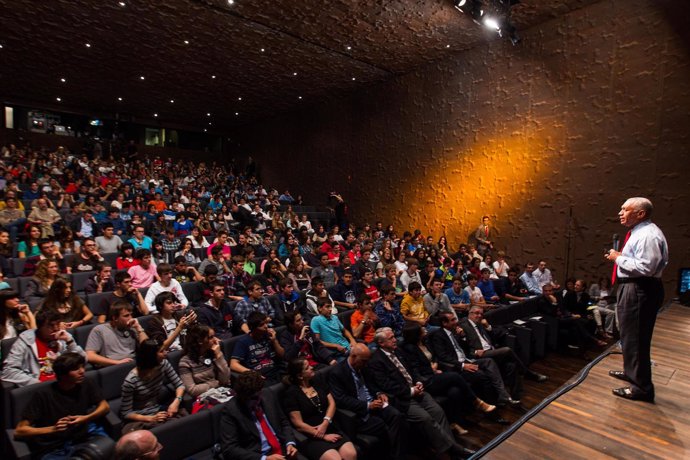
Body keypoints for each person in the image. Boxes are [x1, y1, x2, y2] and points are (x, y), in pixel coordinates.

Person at [367, 327, 473, 458]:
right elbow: (387, 385)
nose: (395, 340)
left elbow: (412, 370)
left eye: (394, 336)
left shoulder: (398, 351)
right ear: (381, 343)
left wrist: (418, 382)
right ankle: (454, 449)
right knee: (425, 418)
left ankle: (452, 449)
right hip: (403, 399)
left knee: (438, 411)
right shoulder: (376, 361)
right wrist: (411, 391)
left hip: (418, 390)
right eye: (391, 338)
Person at [605, 197, 668, 402]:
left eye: (625, 209)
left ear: (640, 214)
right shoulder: (639, 232)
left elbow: (646, 267)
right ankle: (631, 372)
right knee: (629, 335)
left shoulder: (648, 235)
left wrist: (618, 258)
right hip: (634, 287)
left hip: (639, 288)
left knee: (636, 337)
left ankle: (641, 388)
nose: (620, 213)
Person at [14, 352, 115, 459]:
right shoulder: (43, 395)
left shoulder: (86, 383)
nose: (82, 371)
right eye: (76, 369)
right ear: (62, 374)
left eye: (82, 367)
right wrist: (53, 429)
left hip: (82, 438)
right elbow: (20, 431)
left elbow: (105, 407)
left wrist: (85, 418)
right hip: (54, 447)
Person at [400, 324, 496, 432]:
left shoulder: (425, 341)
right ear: (416, 334)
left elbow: (435, 356)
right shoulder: (409, 348)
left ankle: (455, 423)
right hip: (426, 380)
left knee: (454, 391)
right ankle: (477, 401)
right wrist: (431, 371)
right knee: (455, 376)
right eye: (421, 329)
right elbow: (414, 369)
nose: (425, 329)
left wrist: (435, 364)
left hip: (434, 373)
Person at [429, 311, 518, 406]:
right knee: (483, 375)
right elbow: (443, 356)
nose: (456, 321)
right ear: (444, 323)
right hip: (457, 366)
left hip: (468, 359)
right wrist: (463, 365)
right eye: (453, 320)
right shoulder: (438, 336)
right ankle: (493, 407)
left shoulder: (456, 332)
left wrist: (462, 337)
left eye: (455, 318)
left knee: (489, 361)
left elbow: (465, 349)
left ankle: (503, 394)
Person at [282, 358, 356, 460]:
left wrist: (326, 422)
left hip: (330, 427)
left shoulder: (317, 380)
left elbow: (332, 403)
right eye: (307, 368)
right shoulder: (291, 393)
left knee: (351, 454)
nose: (312, 367)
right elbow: (298, 424)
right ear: (300, 376)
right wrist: (323, 436)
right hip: (312, 436)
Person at [219, 370, 299, 460]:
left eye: (260, 394)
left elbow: (283, 423)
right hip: (258, 455)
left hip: (283, 449)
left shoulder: (267, 394)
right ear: (242, 397)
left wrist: (290, 442)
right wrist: (264, 458)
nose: (259, 399)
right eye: (254, 398)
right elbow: (229, 449)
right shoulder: (231, 411)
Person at [2, 309, 86, 386]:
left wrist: (70, 342)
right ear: (40, 327)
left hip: (65, 384)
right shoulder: (25, 341)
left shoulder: (64, 337)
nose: (56, 329)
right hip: (40, 387)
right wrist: (37, 384)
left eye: (58, 324)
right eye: (51, 326)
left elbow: (83, 361)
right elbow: (8, 371)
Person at [120, 339, 187, 433]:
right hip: (141, 418)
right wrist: (150, 418)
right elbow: (126, 413)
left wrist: (177, 400)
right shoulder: (131, 380)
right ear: (151, 356)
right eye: (161, 351)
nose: (166, 353)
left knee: (183, 423)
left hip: (158, 410)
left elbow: (180, 385)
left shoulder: (163, 364)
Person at [86, 301, 150, 367]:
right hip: (113, 366)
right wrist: (117, 362)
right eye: (126, 316)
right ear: (115, 318)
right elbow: (90, 355)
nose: (131, 318)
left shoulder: (132, 327)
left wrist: (139, 328)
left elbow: (147, 347)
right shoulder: (99, 330)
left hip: (133, 363)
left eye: (131, 314)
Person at [230, 311, 285, 385]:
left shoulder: (269, 336)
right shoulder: (243, 342)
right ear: (253, 328)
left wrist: (274, 341)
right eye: (261, 325)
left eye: (266, 323)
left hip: (276, 371)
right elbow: (233, 364)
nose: (266, 326)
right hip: (260, 376)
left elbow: (282, 355)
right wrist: (252, 373)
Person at [178, 324, 231, 398]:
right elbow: (192, 390)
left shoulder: (215, 352)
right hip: (204, 397)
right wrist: (215, 383)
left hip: (222, 391)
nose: (216, 340)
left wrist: (219, 356)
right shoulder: (185, 362)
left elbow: (225, 380)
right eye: (211, 337)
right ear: (200, 341)